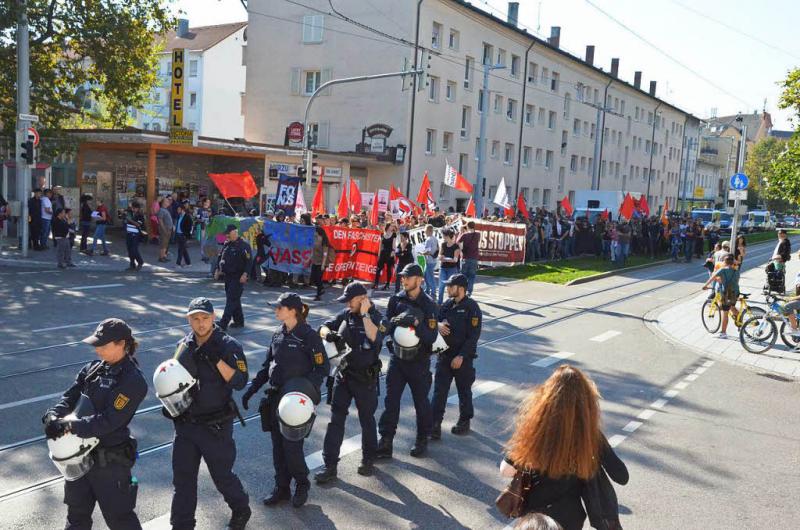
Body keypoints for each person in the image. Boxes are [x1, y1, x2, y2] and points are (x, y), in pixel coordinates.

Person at [43, 318, 147, 530]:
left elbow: (109, 421)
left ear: (122, 344)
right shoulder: (92, 369)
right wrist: (53, 415)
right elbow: (70, 397)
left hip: (109, 464)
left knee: (120, 520)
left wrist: (70, 426)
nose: (97, 350)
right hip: (77, 459)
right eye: (96, 345)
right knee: (76, 518)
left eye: (103, 345)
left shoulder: (132, 380)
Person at [159, 298, 251, 530]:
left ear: (213, 317)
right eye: (195, 319)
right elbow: (174, 380)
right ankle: (182, 525)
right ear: (189, 320)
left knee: (222, 476)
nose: (200, 324)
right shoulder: (183, 346)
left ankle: (241, 508)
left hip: (215, 426)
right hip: (186, 425)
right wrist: (170, 404)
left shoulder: (228, 345)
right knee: (183, 481)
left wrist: (216, 359)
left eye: (205, 318)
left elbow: (240, 381)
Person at [499, 365, 628, 530]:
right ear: (586, 401)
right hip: (571, 519)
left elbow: (505, 470)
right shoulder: (591, 436)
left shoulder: (536, 428)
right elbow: (622, 476)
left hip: (535, 519)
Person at [241, 293, 328, 508]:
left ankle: (301, 484)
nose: (276, 310)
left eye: (279, 307)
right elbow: (267, 366)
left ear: (293, 311)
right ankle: (281, 488)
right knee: (278, 448)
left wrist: (305, 393)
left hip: (295, 403)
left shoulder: (308, 336)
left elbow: (322, 368)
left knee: (292, 448)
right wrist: (251, 389)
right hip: (275, 398)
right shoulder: (278, 334)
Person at [314, 282, 385, 483]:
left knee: (367, 420)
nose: (347, 305)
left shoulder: (377, 317)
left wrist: (364, 313)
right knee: (336, 420)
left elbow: (375, 337)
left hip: (365, 380)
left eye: (350, 300)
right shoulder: (345, 315)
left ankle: (368, 459)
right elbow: (321, 326)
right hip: (343, 376)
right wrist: (328, 334)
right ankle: (330, 466)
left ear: (362, 298)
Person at [376, 263, 439, 459]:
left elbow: (431, 336)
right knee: (391, 401)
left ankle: (422, 439)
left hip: (419, 362)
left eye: (407, 277)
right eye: (402, 277)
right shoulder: (396, 300)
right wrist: (391, 330)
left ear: (419, 280)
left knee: (421, 402)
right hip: (397, 359)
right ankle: (386, 441)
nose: (403, 280)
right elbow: (386, 325)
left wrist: (416, 324)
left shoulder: (429, 304)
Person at [430, 273, 481, 439]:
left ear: (460, 289)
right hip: (444, 356)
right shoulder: (447, 305)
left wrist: (461, 356)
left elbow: (473, 337)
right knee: (439, 392)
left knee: (464, 390)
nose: (447, 288)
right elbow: (433, 320)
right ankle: (435, 424)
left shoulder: (472, 308)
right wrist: (437, 325)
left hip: (462, 359)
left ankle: (464, 420)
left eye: (451, 286)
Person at [215, 225, 251, 330]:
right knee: (234, 299)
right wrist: (218, 269)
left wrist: (245, 274)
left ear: (235, 232)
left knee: (231, 299)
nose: (226, 235)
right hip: (228, 276)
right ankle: (239, 321)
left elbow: (249, 262)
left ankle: (223, 322)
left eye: (228, 233)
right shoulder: (227, 244)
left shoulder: (244, 246)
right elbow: (220, 257)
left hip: (238, 277)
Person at [701, 253, 740, 339]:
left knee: (725, 313)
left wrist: (705, 286)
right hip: (735, 292)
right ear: (732, 262)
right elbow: (736, 282)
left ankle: (723, 333)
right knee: (732, 307)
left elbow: (712, 277)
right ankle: (740, 319)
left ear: (724, 262)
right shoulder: (736, 270)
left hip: (727, 293)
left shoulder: (722, 269)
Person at [437, 228, 462, 304]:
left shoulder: (456, 247)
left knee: (451, 287)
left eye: (444, 236)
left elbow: (455, 260)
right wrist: (440, 257)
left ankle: (451, 303)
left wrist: (445, 259)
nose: (443, 237)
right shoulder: (443, 244)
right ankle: (439, 303)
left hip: (452, 269)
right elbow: (440, 254)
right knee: (441, 286)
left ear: (448, 236)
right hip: (443, 268)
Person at [310, 219, 331, 301]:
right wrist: (309, 259)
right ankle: (321, 288)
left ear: (319, 234)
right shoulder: (315, 240)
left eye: (316, 233)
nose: (314, 234)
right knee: (313, 278)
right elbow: (313, 250)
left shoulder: (324, 242)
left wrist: (323, 264)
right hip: (314, 261)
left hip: (321, 263)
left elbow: (325, 254)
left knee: (318, 278)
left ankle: (318, 294)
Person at [456, 222, 479, 293]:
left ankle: (463, 291)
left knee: (463, 276)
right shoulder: (478, 234)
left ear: (467, 227)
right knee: (472, 276)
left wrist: (461, 231)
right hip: (474, 258)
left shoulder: (464, 235)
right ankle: (469, 291)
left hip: (465, 257)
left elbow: (457, 241)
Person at [373, 223, 397, 290]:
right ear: (388, 227)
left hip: (389, 253)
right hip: (383, 253)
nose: (392, 227)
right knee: (379, 269)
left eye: (393, 226)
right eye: (391, 226)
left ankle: (387, 284)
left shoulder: (394, 234)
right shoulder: (382, 234)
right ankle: (376, 283)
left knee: (388, 269)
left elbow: (394, 245)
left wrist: (393, 252)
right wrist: (378, 255)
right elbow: (380, 246)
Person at [124, 202, 145, 271]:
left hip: (135, 235)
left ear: (138, 209)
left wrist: (129, 219)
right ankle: (132, 264)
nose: (133, 209)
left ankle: (140, 262)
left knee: (134, 250)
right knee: (129, 250)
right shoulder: (130, 213)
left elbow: (138, 224)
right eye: (132, 208)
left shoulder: (140, 216)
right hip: (129, 234)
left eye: (135, 208)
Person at [421, 225, 439, 297]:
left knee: (429, 277)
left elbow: (427, 251)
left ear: (428, 230)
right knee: (427, 276)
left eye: (425, 230)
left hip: (429, 260)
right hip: (433, 260)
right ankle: (427, 290)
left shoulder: (428, 239)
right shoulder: (435, 239)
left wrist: (421, 253)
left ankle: (433, 292)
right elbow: (437, 249)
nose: (424, 232)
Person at [175, 203, 194, 267]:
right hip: (178, 234)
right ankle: (188, 263)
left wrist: (186, 235)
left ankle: (178, 263)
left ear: (182, 210)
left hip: (183, 235)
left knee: (180, 250)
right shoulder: (179, 216)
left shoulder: (187, 217)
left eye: (178, 209)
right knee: (183, 250)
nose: (177, 211)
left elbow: (190, 227)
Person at [157, 197, 173, 262]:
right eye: (166, 201)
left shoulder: (165, 209)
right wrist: (164, 230)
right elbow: (160, 220)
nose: (168, 202)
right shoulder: (161, 210)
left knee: (166, 244)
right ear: (163, 203)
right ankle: (161, 257)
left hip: (168, 229)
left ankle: (164, 256)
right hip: (165, 229)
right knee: (163, 244)